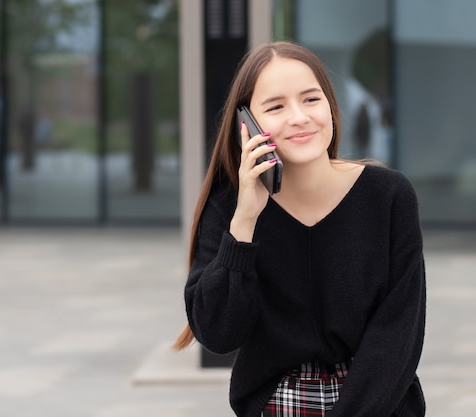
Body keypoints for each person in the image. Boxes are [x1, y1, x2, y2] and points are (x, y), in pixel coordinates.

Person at [173, 41, 426, 417]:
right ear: (247, 125)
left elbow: (397, 335)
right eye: (276, 107)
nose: (299, 117)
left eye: (311, 99)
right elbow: (218, 334)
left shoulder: (388, 197)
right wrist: (244, 223)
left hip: (379, 404)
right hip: (278, 405)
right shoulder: (229, 208)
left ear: (331, 106)